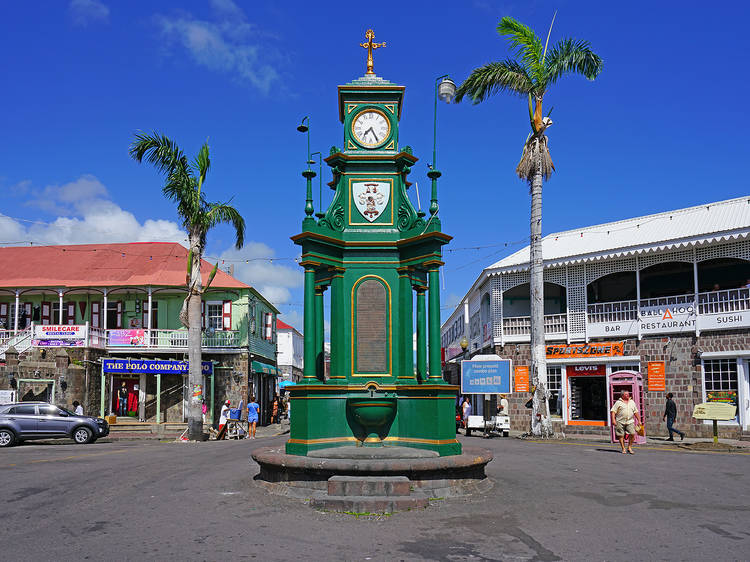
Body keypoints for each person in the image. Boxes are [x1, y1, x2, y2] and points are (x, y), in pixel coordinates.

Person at [610, 390, 641, 454]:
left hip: (630, 421)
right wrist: (613, 420)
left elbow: (636, 412)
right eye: (626, 394)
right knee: (621, 435)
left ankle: (629, 447)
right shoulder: (618, 402)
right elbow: (613, 411)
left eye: (628, 394)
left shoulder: (632, 402)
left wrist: (639, 420)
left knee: (632, 433)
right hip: (620, 421)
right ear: (622, 396)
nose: (628, 395)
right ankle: (623, 448)